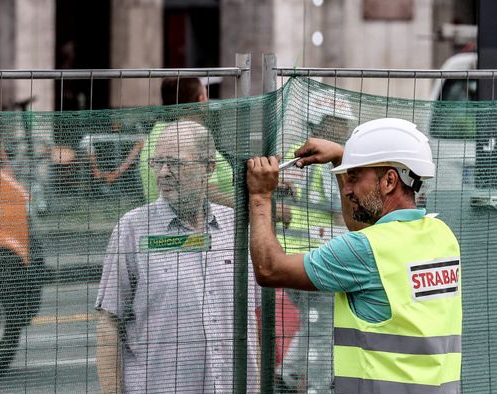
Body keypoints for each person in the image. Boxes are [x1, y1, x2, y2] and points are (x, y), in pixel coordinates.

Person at [247, 118, 461, 393]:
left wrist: (261, 196)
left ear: (389, 181)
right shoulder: (442, 236)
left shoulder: (364, 249)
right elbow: (364, 231)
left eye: (355, 178)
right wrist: (341, 159)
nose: (347, 189)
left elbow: (270, 269)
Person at [96, 120, 260, 393]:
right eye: (157, 162)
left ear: (209, 167)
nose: (163, 173)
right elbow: (108, 323)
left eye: (174, 163)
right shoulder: (133, 229)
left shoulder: (237, 229)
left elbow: (256, 319)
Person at [276, 94, 359, 392]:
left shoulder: (292, 154)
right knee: (324, 329)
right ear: (323, 123)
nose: (343, 130)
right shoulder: (329, 164)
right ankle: (319, 387)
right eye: (338, 123)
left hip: (291, 255)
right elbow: (343, 213)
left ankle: (287, 374)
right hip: (319, 256)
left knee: (315, 322)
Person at [138, 77, 234, 207]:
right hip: (202, 223)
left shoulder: (156, 133)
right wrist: (246, 207)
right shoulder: (189, 138)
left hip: (162, 220)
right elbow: (207, 192)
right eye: (206, 95)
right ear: (200, 100)